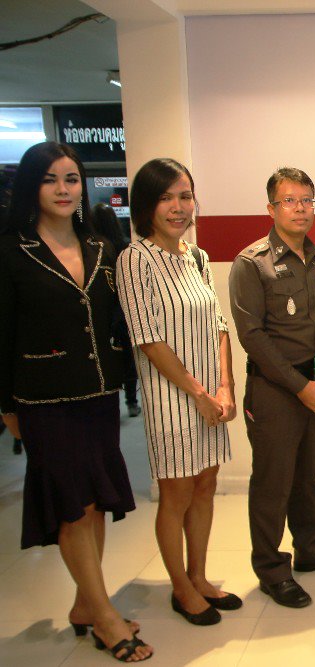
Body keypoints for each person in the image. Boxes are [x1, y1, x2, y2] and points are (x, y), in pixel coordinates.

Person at [0, 142, 150, 661]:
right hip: (44, 399)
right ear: (32, 187)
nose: (63, 190)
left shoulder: (101, 246)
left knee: (95, 502)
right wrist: (6, 406)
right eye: (50, 180)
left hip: (98, 395)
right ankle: (104, 616)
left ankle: (87, 606)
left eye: (71, 179)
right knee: (72, 505)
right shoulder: (11, 250)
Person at [117, 159, 241, 626]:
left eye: (184, 196)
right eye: (165, 197)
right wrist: (198, 394)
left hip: (211, 396)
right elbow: (148, 339)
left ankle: (199, 577)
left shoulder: (197, 257)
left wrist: (225, 386)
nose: (177, 207)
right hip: (172, 398)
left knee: (206, 485)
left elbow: (219, 324)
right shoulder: (135, 259)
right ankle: (181, 588)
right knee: (177, 492)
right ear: (146, 205)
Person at [230, 167, 315, 608]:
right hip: (275, 388)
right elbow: (252, 336)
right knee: (273, 482)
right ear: (271, 208)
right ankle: (271, 569)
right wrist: (298, 385)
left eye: (307, 200)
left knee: (308, 476)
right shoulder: (252, 263)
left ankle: (311, 549)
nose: (300, 208)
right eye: (290, 201)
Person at [93, 202, 141, 418]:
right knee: (129, 360)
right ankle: (131, 400)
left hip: (103, 313)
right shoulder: (125, 247)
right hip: (125, 311)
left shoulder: (93, 251)